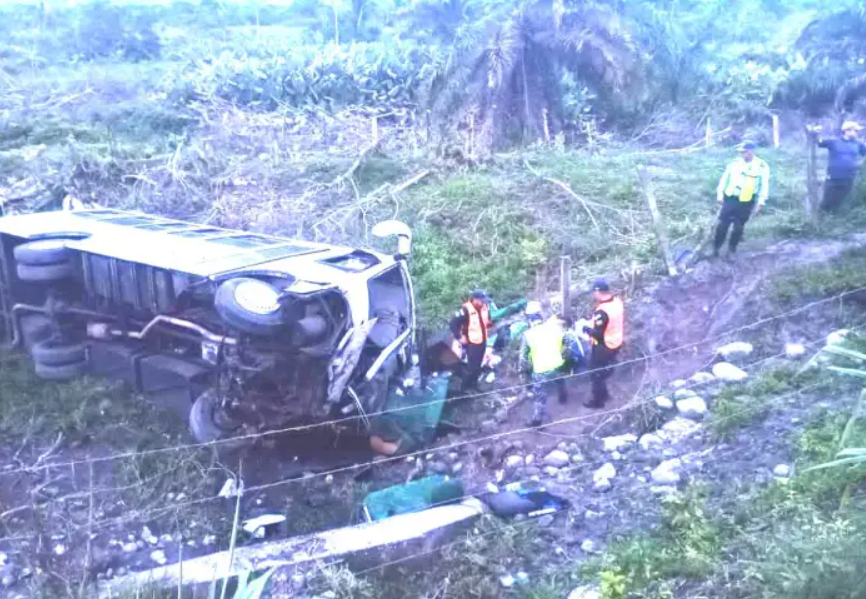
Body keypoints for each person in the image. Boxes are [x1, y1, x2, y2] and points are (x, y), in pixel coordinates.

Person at [713, 140, 770, 259]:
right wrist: (720, 195)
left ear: (752, 151)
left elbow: (764, 186)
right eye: (741, 152)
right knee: (722, 226)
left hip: (746, 202)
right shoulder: (734, 164)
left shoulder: (761, 166)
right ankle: (716, 249)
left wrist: (760, 203)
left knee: (738, 228)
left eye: (745, 152)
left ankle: (731, 250)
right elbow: (723, 180)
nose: (743, 154)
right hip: (730, 199)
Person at [519, 302, 571, 427]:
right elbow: (568, 342)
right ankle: (563, 397)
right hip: (557, 364)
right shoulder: (554, 328)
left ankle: (537, 420)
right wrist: (565, 359)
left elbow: (522, 358)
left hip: (540, 369)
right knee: (560, 380)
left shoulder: (528, 335)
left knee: (540, 397)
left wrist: (523, 371)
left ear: (530, 322)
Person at [583, 279, 624, 409]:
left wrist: (585, 329)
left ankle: (598, 401)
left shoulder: (602, 311)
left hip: (604, 345)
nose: (593, 295)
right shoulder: (617, 302)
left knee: (595, 373)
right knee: (602, 370)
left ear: (598, 291)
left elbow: (598, 333)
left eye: (594, 292)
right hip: (616, 341)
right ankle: (605, 394)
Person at [808, 121, 866, 212]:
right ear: (847, 131)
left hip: (849, 179)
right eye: (856, 130)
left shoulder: (858, 144)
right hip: (833, 179)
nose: (857, 133)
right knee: (826, 203)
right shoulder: (834, 142)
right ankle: (821, 221)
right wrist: (815, 134)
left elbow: (864, 153)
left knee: (842, 204)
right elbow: (819, 142)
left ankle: (837, 221)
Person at [449, 289, 493, 390]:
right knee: (472, 367)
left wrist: (490, 326)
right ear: (475, 300)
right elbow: (453, 324)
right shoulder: (466, 309)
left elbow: (488, 320)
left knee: (478, 365)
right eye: (482, 300)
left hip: (482, 340)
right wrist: (459, 337)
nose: (484, 302)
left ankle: (474, 385)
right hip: (472, 342)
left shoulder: (485, 307)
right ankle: (465, 387)